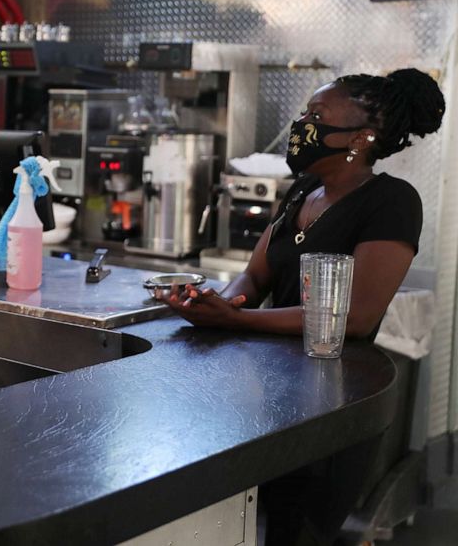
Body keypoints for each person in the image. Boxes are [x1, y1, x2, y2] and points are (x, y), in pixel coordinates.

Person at [158, 67, 445, 545]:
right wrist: (218, 304)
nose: (301, 124)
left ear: (361, 136)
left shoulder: (392, 201)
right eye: (304, 113)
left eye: (316, 114)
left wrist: (238, 317)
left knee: (299, 533)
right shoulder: (302, 192)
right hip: (274, 396)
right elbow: (255, 274)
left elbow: (355, 317)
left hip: (332, 405)